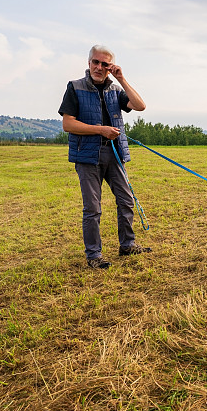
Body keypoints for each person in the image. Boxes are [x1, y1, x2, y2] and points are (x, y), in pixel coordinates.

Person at [59, 44, 150, 269]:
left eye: (105, 64)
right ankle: (93, 255)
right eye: (96, 62)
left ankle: (127, 245)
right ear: (88, 63)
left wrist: (122, 79)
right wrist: (101, 130)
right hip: (88, 156)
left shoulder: (115, 90)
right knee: (93, 208)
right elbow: (68, 124)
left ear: (110, 67)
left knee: (126, 200)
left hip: (114, 153)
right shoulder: (75, 87)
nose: (99, 67)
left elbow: (140, 106)